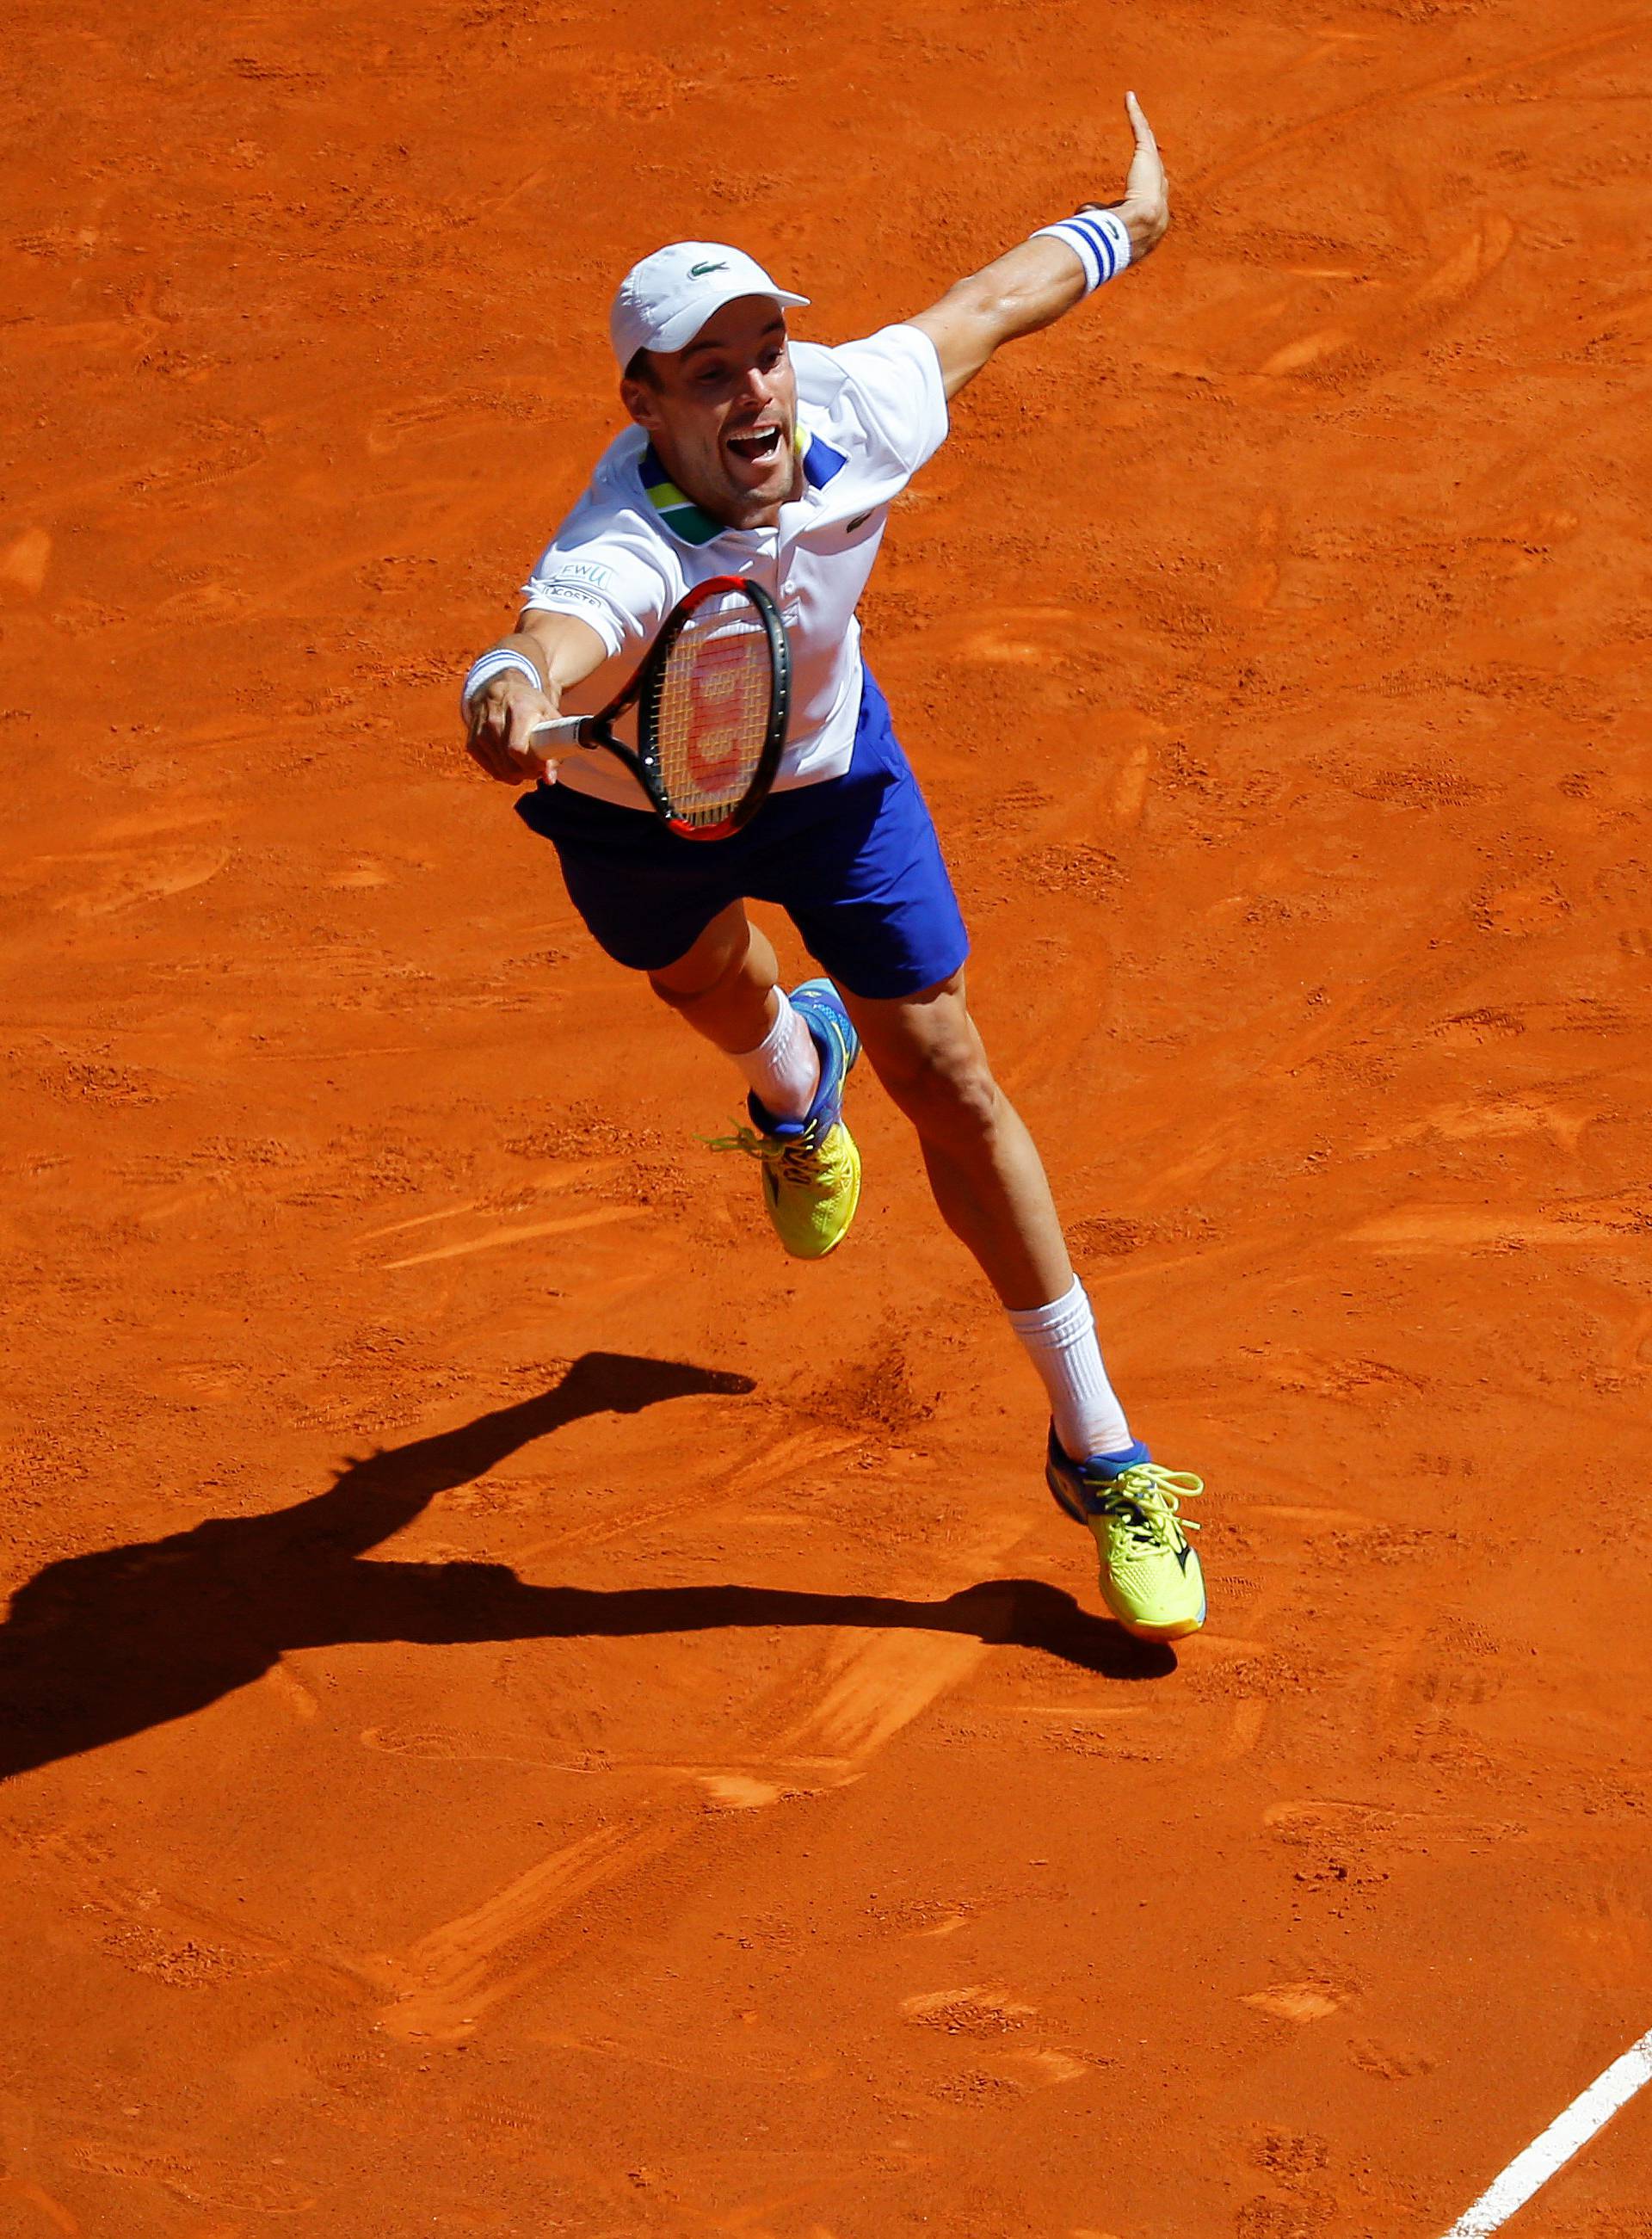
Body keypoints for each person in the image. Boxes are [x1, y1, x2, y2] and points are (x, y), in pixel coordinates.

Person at [459, 95, 1205, 1643]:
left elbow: (992, 306)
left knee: (954, 1071)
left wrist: (1125, 225)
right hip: (633, 806)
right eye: (711, 372)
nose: (755, 393)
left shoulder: (853, 408)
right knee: (709, 981)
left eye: (765, 353)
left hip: (827, 781)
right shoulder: (622, 551)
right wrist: (509, 701)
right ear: (646, 401)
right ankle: (798, 1084)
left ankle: (1101, 1443)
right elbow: (551, 643)